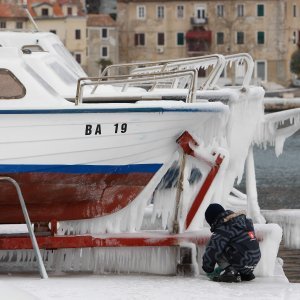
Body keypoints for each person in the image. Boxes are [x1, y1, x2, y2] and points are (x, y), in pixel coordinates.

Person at [202, 203, 261, 282]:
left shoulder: (224, 227)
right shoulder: (244, 222)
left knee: (218, 245)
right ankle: (246, 274)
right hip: (254, 260)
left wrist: (208, 268)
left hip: (242, 260)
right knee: (240, 243)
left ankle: (231, 272)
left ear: (213, 219)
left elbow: (212, 250)